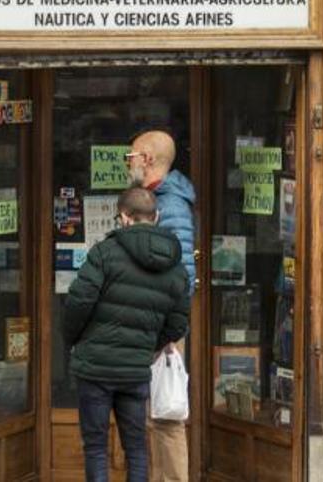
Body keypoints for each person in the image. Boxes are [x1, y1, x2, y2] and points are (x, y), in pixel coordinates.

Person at [63, 187, 191, 482]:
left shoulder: (104, 253)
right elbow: (177, 323)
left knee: (95, 447)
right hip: (135, 370)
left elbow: (77, 304)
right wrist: (148, 346)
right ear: (156, 216)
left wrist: (74, 341)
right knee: (136, 449)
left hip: (94, 366)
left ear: (123, 217)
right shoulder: (176, 267)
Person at [126, 130, 195, 482]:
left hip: (163, 329)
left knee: (167, 417)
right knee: (152, 416)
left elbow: (183, 276)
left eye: (131, 157)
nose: (128, 164)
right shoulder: (157, 200)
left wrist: (170, 332)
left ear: (148, 160)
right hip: (151, 324)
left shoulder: (171, 207)